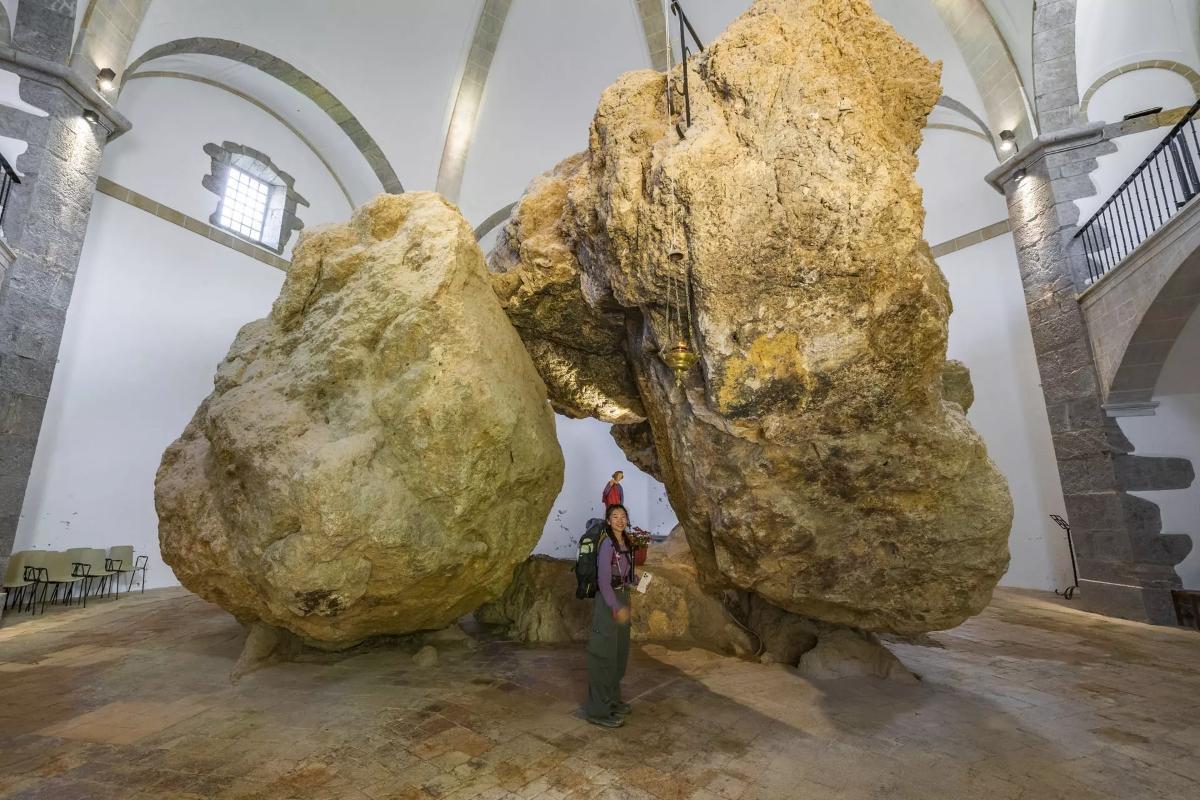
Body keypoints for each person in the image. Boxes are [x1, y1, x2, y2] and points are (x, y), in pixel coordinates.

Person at [584, 503, 636, 728]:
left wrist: (635, 582)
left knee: (618, 654)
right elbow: (604, 581)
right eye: (615, 516)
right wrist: (615, 606)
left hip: (622, 598)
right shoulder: (607, 544)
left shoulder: (626, 542)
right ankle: (598, 711)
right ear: (608, 520)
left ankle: (612, 701)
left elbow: (624, 574)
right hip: (608, 603)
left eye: (623, 516)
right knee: (603, 656)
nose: (620, 520)